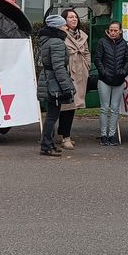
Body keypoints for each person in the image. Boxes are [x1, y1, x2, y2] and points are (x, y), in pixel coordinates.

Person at [36, 14, 75, 157]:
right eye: (64, 25)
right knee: (52, 116)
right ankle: (46, 145)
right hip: (53, 83)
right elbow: (59, 67)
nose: (66, 27)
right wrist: (67, 87)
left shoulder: (47, 41)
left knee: (51, 115)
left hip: (47, 80)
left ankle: (48, 144)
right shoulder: (57, 43)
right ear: (58, 27)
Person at [56, 8, 90, 150]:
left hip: (80, 74)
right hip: (68, 74)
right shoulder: (61, 35)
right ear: (65, 20)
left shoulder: (82, 36)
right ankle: (65, 137)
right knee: (66, 106)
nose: (74, 19)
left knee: (72, 106)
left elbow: (87, 52)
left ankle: (63, 134)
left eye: (75, 17)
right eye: (70, 17)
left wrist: (87, 66)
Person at [93, 20, 128, 146]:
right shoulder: (102, 42)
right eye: (111, 30)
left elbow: (127, 60)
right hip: (104, 80)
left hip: (119, 80)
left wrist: (123, 72)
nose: (113, 33)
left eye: (115, 30)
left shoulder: (123, 44)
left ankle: (112, 135)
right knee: (104, 108)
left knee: (114, 109)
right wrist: (103, 72)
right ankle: (103, 135)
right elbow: (97, 59)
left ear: (120, 31)